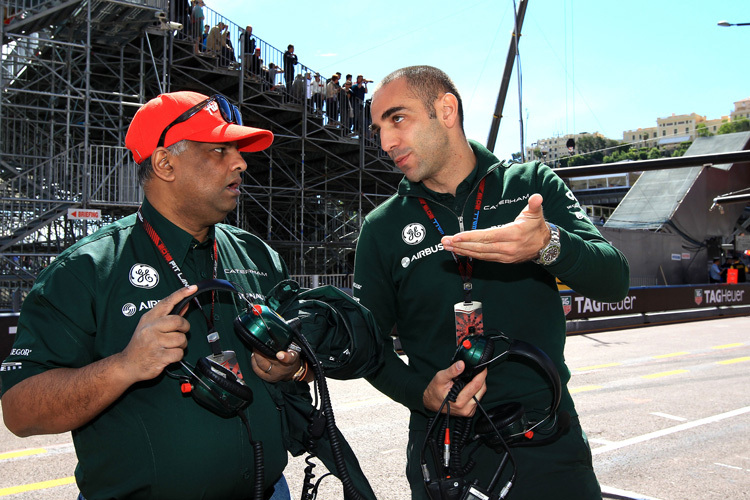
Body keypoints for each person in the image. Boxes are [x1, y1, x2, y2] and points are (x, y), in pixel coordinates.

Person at [0, 91, 308, 499]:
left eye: (237, 150)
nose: (240, 163)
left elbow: (301, 359)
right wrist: (124, 366)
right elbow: (20, 410)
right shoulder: (87, 268)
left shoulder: (259, 256)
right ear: (165, 163)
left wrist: (292, 367)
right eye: (219, 150)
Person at [353, 65, 630, 500]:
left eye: (398, 118)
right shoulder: (382, 227)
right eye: (379, 128)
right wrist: (420, 393)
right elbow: (366, 346)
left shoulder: (532, 186)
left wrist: (548, 245)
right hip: (443, 455)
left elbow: (614, 280)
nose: (386, 142)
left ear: (446, 110)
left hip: (546, 443)